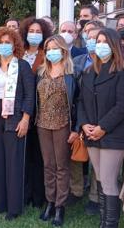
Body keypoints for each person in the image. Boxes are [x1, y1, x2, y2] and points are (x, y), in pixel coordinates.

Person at [77, 27, 124, 228]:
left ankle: (110, 224)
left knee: (109, 180)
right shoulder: (88, 71)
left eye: (104, 41)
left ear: (114, 45)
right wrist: (84, 124)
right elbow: (81, 101)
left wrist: (103, 127)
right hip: (91, 133)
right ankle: (104, 221)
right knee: (100, 178)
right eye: (97, 41)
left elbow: (123, 106)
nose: (99, 45)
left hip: (113, 134)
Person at [0, 27, 35, 220]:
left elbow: (29, 95)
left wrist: (26, 118)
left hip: (15, 118)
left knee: (14, 163)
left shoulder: (23, 66)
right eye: (1, 42)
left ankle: (13, 208)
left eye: (8, 42)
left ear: (15, 45)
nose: (4, 46)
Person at [36, 35, 78, 226]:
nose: (51, 51)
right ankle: (50, 202)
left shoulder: (72, 73)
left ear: (63, 50)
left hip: (63, 124)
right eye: (48, 48)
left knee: (62, 166)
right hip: (42, 124)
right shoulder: (41, 72)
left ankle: (60, 206)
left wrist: (76, 128)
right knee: (48, 165)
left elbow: (78, 102)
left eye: (55, 48)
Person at [69, 20, 104, 215]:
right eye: (88, 37)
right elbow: (75, 93)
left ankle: (96, 197)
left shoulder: (112, 64)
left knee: (99, 163)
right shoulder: (79, 62)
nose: (91, 41)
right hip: (81, 115)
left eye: (96, 38)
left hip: (103, 119)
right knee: (77, 155)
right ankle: (76, 191)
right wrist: (80, 123)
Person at [19, 17, 52, 208]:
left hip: (41, 110)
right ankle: (25, 192)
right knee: (23, 155)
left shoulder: (47, 54)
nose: (34, 35)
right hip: (21, 109)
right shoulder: (19, 53)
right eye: (31, 31)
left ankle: (39, 195)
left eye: (38, 31)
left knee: (38, 156)